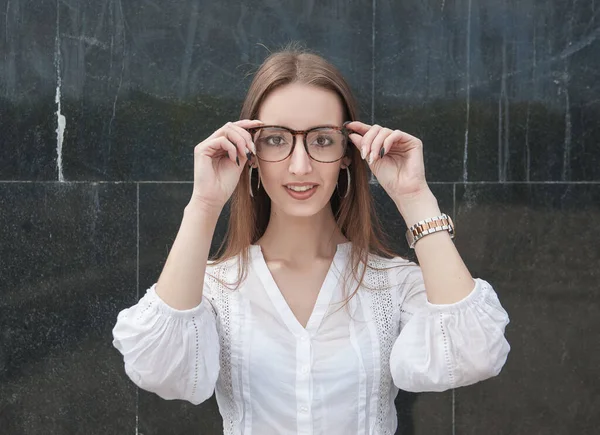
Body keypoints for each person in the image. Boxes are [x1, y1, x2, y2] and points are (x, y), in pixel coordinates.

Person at [112, 45, 510, 435]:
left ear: (346, 153)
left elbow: (473, 355)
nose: (300, 166)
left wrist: (415, 197)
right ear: (250, 152)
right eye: (275, 139)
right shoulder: (214, 290)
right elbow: (159, 369)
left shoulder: (393, 285)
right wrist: (203, 205)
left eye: (321, 140)